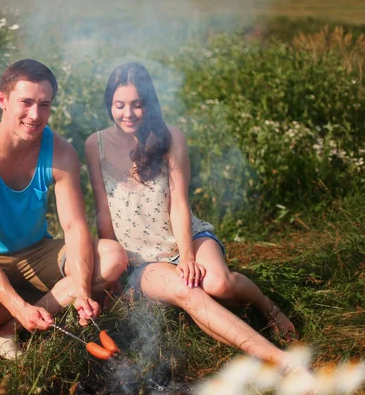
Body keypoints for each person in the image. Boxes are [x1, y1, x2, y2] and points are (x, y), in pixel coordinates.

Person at [84, 62, 299, 367]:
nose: (128, 114)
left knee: (219, 284)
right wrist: (112, 273)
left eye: (137, 104)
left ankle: (268, 306)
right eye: (119, 105)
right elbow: (103, 211)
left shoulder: (171, 136)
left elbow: (179, 203)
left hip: (187, 236)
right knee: (192, 292)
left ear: (150, 103)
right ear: (110, 104)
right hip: (143, 260)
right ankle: (278, 359)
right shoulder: (96, 144)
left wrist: (187, 257)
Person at [0, 59, 128, 360]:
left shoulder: (61, 151)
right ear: (2, 100)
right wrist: (17, 304)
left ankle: (9, 329)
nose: (35, 115)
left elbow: (75, 228)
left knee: (113, 257)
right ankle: (33, 304)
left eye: (45, 104)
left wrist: (81, 289)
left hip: (37, 251)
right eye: (26, 102)